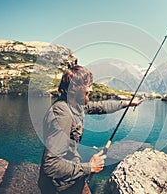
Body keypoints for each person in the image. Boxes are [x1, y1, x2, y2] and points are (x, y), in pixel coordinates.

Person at [38, 65, 143, 194]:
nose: (92, 89)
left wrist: (127, 103)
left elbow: (99, 106)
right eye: (88, 85)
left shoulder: (75, 104)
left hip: (72, 179)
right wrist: (90, 167)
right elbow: (51, 165)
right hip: (61, 187)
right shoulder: (62, 114)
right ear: (75, 88)